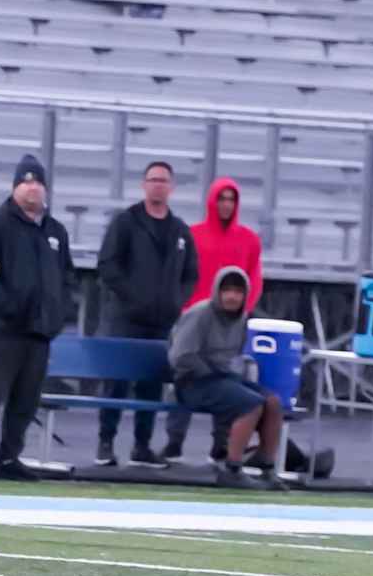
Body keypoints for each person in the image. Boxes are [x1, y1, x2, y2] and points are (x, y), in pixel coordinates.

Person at [0, 154, 75, 481]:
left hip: (39, 332)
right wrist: (7, 306)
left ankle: (10, 457)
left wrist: (58, 313)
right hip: (4, 330)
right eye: (26, 182)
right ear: (15, 187)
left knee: (26, 400)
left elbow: (67, 276)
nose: (32, 188)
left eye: (38, 182)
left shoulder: (56, 231)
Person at [95, 161, 197, 469]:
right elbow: (107, 263)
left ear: (171, 187)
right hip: (126, 319)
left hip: (162, 322)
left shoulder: (179, 230)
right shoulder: (127, 222)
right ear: (144, 184)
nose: (158, 186)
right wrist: (132, 295)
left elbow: (191, 273)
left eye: (163, 181)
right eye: (153, 180)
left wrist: (176, 300)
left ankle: (142, 446)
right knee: (117, 383)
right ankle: (105, 443)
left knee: (151, 386)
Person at [162, 177, 264, 463]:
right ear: (211, 201)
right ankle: (174, 441)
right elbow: (178, 274)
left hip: (228, 323)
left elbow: (254, 279)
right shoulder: (193, 235)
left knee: (228, 376)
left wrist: (239, 313)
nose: (226, 205)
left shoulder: (248, 240)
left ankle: (221, 444)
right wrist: (185, 307)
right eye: (222, 198)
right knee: (184, 377)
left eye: (231, 199)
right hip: (194, 321)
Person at [167, 266, 285, 490]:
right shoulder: (199, 314)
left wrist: (230, 374)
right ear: (217, 291)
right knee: (251, 404)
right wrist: (209, 370)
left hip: (224, 378)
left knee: (272, 402)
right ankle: (232, 468)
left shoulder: (242, 319)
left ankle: (267, 468)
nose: (232, 297)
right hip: (193, 380)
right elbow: (180, 356)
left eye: (238, 292)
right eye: (227, 290)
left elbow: (234, 355)